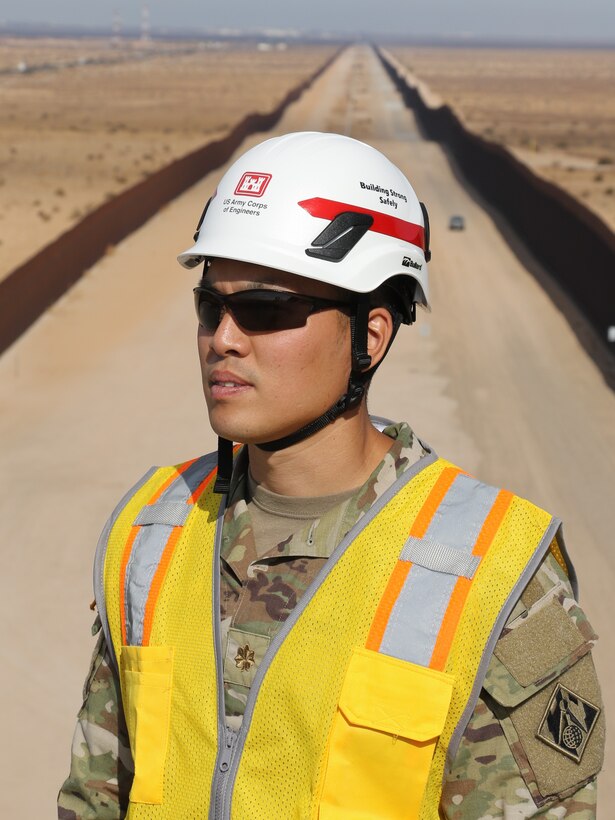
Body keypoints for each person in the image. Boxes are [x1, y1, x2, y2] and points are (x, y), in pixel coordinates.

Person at [58, 132, 604, 819]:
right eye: (210, 307)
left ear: (368, 337)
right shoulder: (149, 529)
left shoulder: (499, 574)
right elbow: (95, 796)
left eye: (264, 310)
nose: (222, 337)